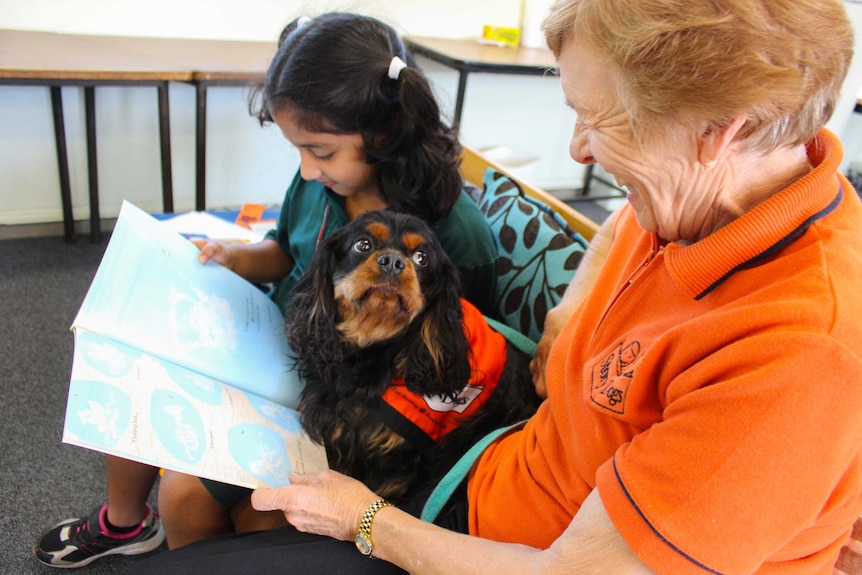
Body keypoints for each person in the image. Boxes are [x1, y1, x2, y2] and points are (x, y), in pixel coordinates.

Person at [126, 0, 862, 573]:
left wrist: (368, 519)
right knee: (210, 512)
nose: (577, 149)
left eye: (598, 119)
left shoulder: (798, 350)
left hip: (479, 536)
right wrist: (569, 311)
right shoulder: (708, 194)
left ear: (718, 131)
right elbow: (619, 231)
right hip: (485, 464)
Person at [33, 12, 500, 567]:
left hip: (349, 409)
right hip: (275, 352)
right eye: (297, 150)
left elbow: (461, 354)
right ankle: (126, 524)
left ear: (382, 135)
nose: (305, 170)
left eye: (320, 152)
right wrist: (236, 257)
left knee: (194, 496)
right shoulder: (321, 186)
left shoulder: (451, 233)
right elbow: (284, 248)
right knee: (145, 359)